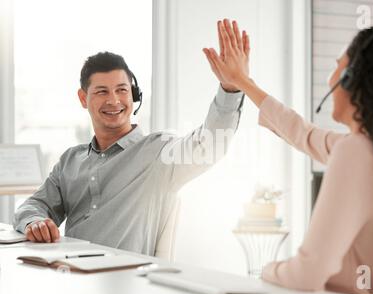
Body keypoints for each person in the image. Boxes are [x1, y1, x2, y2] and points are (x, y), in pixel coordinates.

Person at [203, 20, 373, 294]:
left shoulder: (356, 153)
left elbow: (307, 273)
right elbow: (302, 132)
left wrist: (266, 271)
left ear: (352, 78)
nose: (330, 78)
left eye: (337, 65)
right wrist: (243, 82)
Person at [13, 50, 248, 255]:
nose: (114, 100)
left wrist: (230, 89)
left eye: (122, 90)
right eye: (102, 92)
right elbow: (32, 206)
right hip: (68, 277)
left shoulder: (159, 152)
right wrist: (35, 221)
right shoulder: (70, 161)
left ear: (133, 96)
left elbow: (209, 146)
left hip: (125, 284)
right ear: (83, 98)